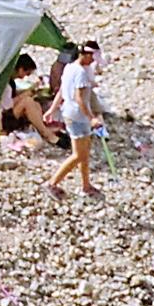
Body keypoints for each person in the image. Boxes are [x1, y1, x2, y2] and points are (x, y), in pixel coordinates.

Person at [46, 40, 105, 199]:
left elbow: (62, 91)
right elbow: (80, 99)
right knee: (78, 155)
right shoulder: (80, 73)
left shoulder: (69, 67)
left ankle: (86, 185)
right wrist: (92, 118)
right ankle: (52, 183)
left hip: (72, 114)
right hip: (77, 117)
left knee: (84, 153)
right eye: (92, 57)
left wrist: (52, 109)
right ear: (85, 55)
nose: (93, 61)